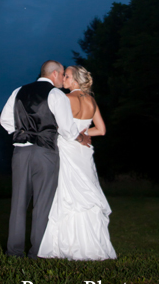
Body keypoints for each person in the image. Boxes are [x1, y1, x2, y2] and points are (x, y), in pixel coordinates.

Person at [0, 60, 83, 259]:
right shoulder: (56, 94)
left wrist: (22, 133)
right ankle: (36, 253)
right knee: (42, 204)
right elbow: (67, 129)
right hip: (45, 152)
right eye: (62, 74)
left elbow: (5, 120)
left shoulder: (18, 91)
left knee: (18, 203)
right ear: (54, 74)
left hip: (20, 153)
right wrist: (79, 135)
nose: (63, 78)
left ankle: (14, 252)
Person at [38, 65, 117, 260]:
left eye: (67, 75)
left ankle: (65, 248)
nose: (63, 78)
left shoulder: (65, 99)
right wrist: (84, 133)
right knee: (86, 197)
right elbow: (101, 130)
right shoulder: (91, 101)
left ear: (74, 80)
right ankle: (92, 247)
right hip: (83, 153)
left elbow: (58, 128)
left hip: (67, 151)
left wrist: (75, 134)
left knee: (68, 196)